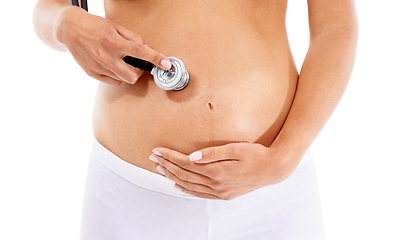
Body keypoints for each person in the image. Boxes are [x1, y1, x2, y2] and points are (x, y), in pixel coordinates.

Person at [32, 0, 358, 239]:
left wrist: (284, 158)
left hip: (273, 198)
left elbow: (335, 26)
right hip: (131, 196)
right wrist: (64, 23)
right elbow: (49, 8)